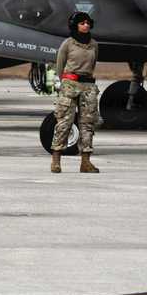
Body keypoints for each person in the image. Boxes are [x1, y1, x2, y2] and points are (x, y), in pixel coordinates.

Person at [50, 11, 100, 173]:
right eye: (82, 23)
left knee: (88, 124)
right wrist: (65, 83)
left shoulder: (94, 45)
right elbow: (60, 65)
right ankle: (56, 160)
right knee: (64, 122)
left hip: (88, 86)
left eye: (88, 23)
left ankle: (85, 162)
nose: (86, 25)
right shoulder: (68, 44)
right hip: (70, 85)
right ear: (75, 25)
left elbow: (93, 64)